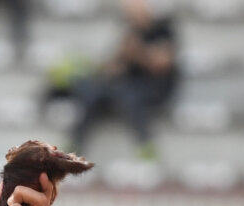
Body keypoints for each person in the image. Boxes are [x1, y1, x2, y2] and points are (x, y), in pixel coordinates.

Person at [67, 0, 179, 159]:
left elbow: (162, 64)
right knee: (90, 91)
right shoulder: (130, 32)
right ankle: (75, 144)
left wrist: (137, 52)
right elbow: (116, 66)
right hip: (127, 86)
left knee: (132, 98)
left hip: (154, 89)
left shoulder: (163, 30)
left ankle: (146, 145)